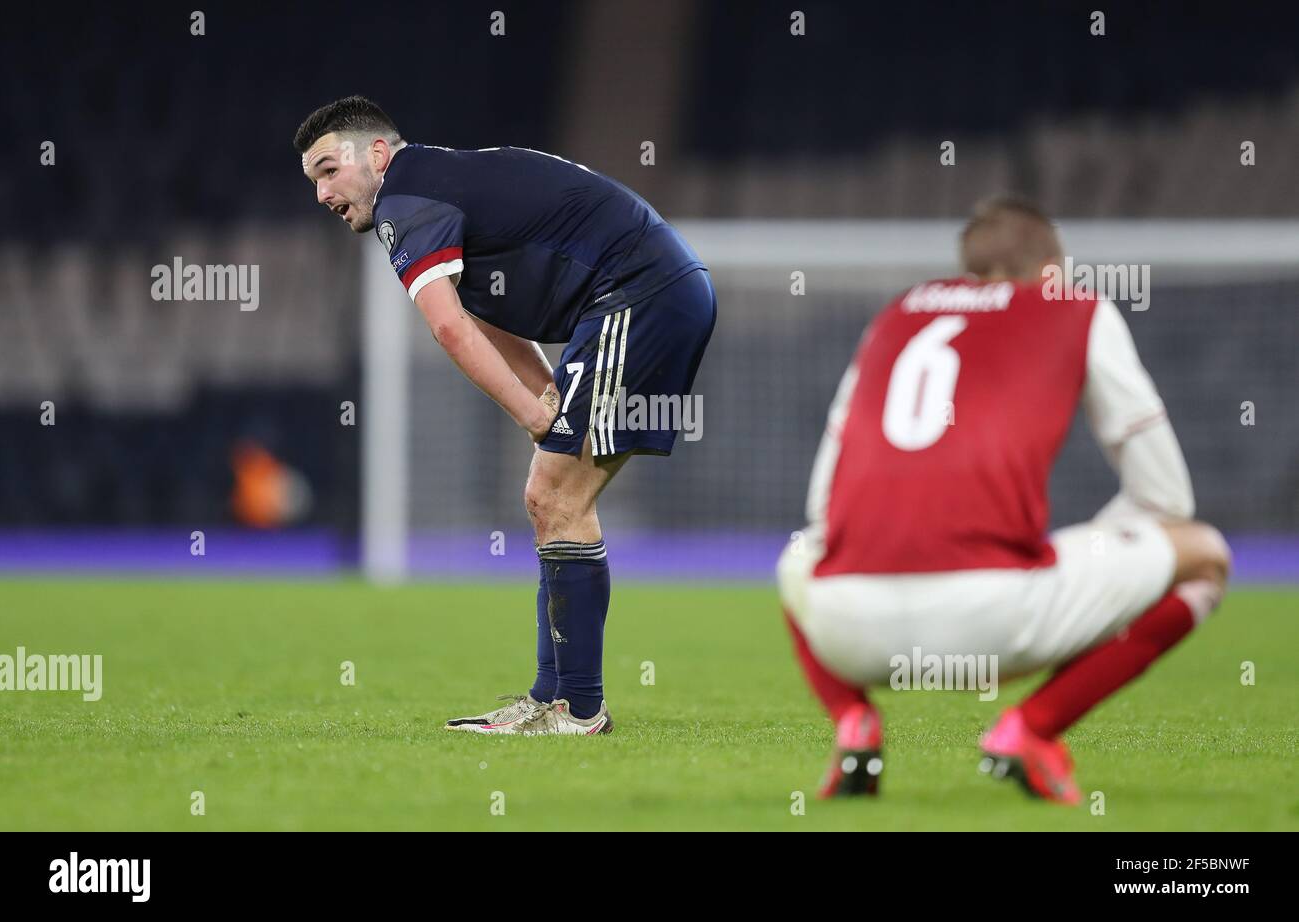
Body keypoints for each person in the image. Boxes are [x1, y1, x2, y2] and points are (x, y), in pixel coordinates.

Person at [777, 197, 1230, 801]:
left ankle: (853, 722)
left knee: (797, 553)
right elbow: (1167, 498)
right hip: (993, 623)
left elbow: (822, 510)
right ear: (1050, 273)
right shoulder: (1074, 307)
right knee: (1203, 554)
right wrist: (1104, 542)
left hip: (849, 633)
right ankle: (1030, 729)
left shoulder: (895, 314)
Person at [296, 96, 716, 735]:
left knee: (555, 495)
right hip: (647, 291)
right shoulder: (438, 184)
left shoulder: (406, 202)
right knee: (552, 499)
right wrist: (546, 393)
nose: (323, 194)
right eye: (313, 181)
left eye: (329, 170)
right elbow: (484, 314)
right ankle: (554, 700)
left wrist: (534, 416)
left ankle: (576, 709)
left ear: (377, 154)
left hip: (638, 293)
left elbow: (448, 329)